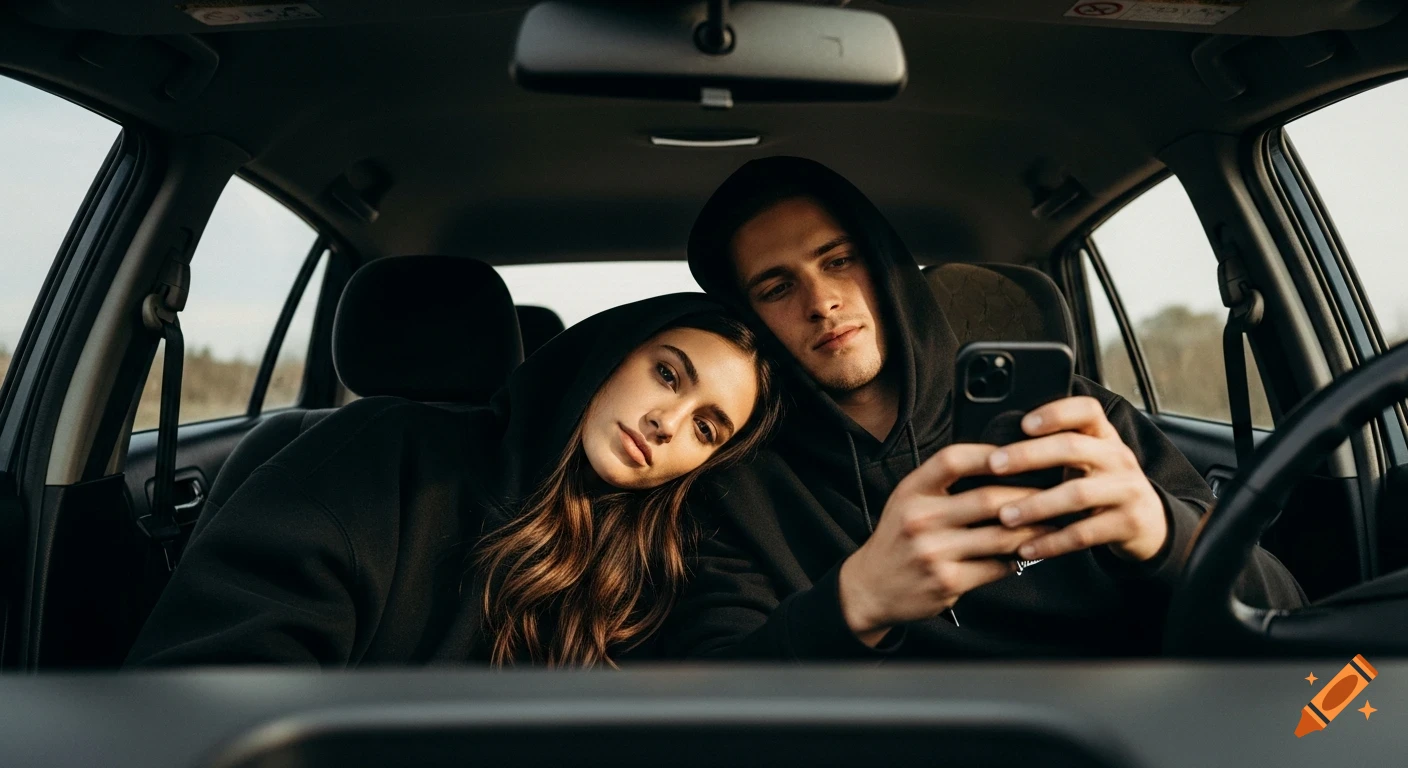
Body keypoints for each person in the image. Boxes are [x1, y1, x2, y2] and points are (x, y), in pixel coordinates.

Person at [665, 157, 1304, 659]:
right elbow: (716, 695)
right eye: (777, 287)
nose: (822, 300)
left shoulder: (1073, 419)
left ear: (887, 269)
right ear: (749, 320)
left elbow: (1286, 611)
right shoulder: (735, 486)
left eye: (839, 260)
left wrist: (1162, 534)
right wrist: (856, 601)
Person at [126, 294, 780, 669]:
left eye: (707, 429)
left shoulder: (663, 568)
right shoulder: (380, 457)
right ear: (607, 354)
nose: (669, 423)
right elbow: (218, 686)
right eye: (669, 375)